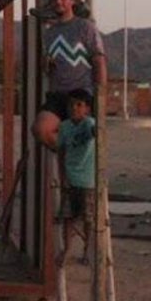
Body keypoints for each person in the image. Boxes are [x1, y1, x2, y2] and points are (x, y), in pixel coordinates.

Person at [31, 0, 106, 149]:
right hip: (58, 94)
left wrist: (100, 95)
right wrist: (46, 66)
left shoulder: (85, 27)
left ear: (72, 1)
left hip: (81, 94)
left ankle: (72, 154)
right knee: (40, 129)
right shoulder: (50, 33)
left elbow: (98, 61)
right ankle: (69, 150)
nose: (58, 1)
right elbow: (49, 68)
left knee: (88, 143)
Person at [46, 88, 96, 265]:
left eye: (79, 105)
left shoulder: (89, 124)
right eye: (71, 105)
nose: (74, 108)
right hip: (71, 178)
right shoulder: (65, 127)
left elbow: (96, 132)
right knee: (68, 217)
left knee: (88, 218)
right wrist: (62, 176)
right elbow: (61, 152)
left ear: (87, 108)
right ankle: (67, 249)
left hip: (89, 180)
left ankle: (87, 250)